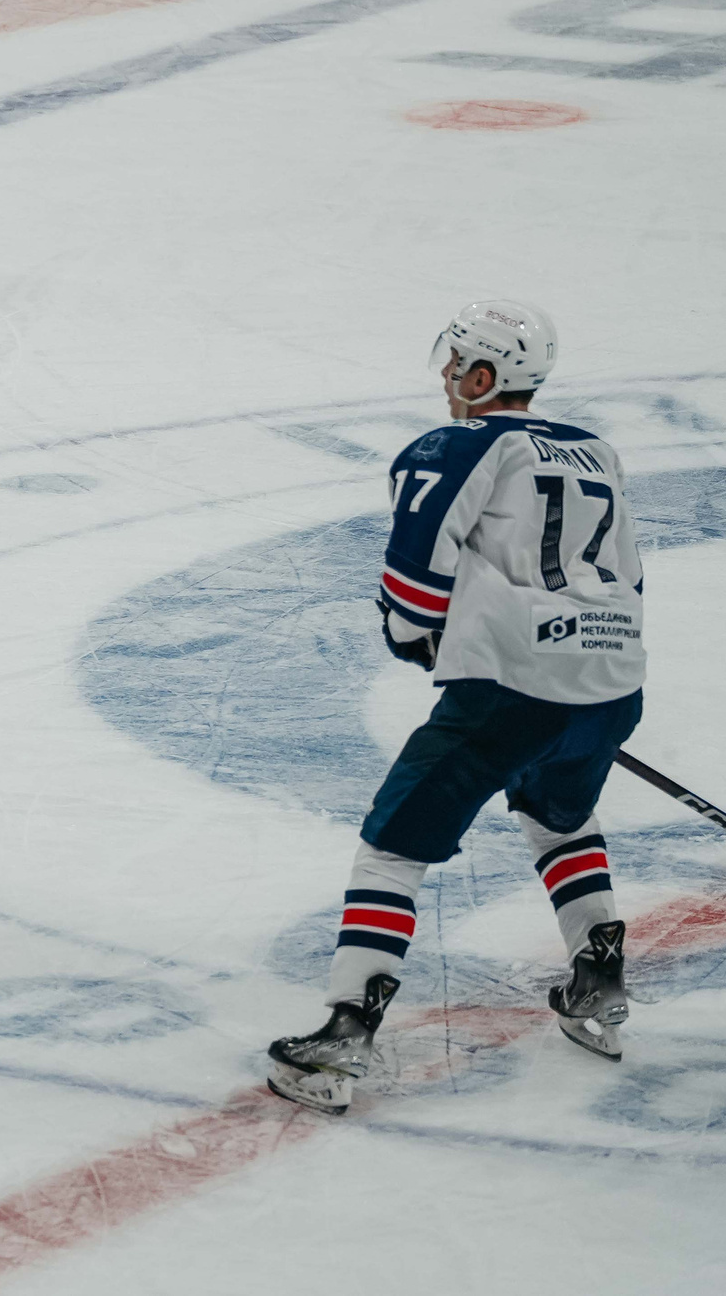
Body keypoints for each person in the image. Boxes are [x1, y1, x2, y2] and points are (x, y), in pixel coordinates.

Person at [266, 302, 647, 1113]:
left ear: (482, 377)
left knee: (391, 848)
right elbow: (628, 574)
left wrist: (416, 638)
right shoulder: (597, 451)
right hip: (613, 683)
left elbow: (414, 576)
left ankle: (345, 1031)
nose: (446, 380)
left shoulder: (458, 445)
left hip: (511, 692)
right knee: (561, 818)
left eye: (456, 366)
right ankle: (599, 979)